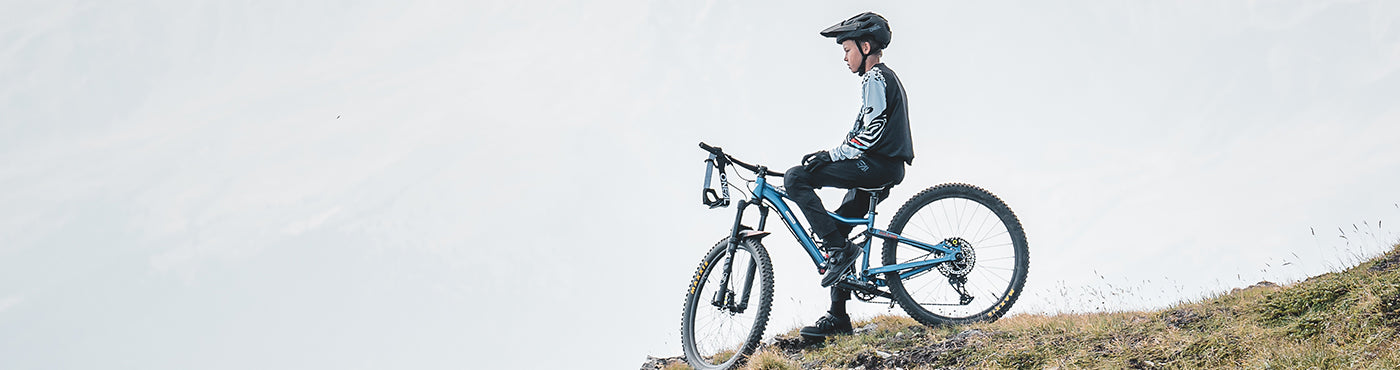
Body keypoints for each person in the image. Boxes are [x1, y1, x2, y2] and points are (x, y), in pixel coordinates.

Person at [787, 11, 915, 340]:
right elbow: (863, 133)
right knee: (840, 227)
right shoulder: (881, 79)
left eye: (847, 50)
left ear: (866, 45)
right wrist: (832, 154)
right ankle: (838, 317)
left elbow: (870, 133)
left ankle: (839, 251)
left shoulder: (875, 78)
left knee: (795, 178)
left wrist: (829, 156)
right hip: (879, 167)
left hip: (876, 165)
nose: (844, 57)